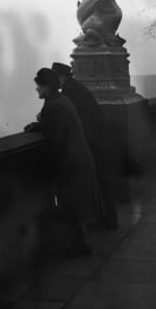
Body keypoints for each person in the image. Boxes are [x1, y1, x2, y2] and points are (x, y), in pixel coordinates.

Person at [24, 68, 101, 255]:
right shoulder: (62, 101)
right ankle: (81, 243)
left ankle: (79, 245)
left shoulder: (53, 107)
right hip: (79, 158)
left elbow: (57, 138)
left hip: (70, 162)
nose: (36, 89)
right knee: (77, 203)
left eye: (39, 85)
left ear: (48, 87)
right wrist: (40, 125)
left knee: (72, 203)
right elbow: (58, 126)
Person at [51, 62, 118, 229]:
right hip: (98, 140)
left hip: (91, 142)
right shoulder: (76, 87)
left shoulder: (69, 91)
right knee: (101, 183)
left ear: (61, 77)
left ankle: (105, 221)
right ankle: (108, 220)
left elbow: (68, 119)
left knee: (96, 184)